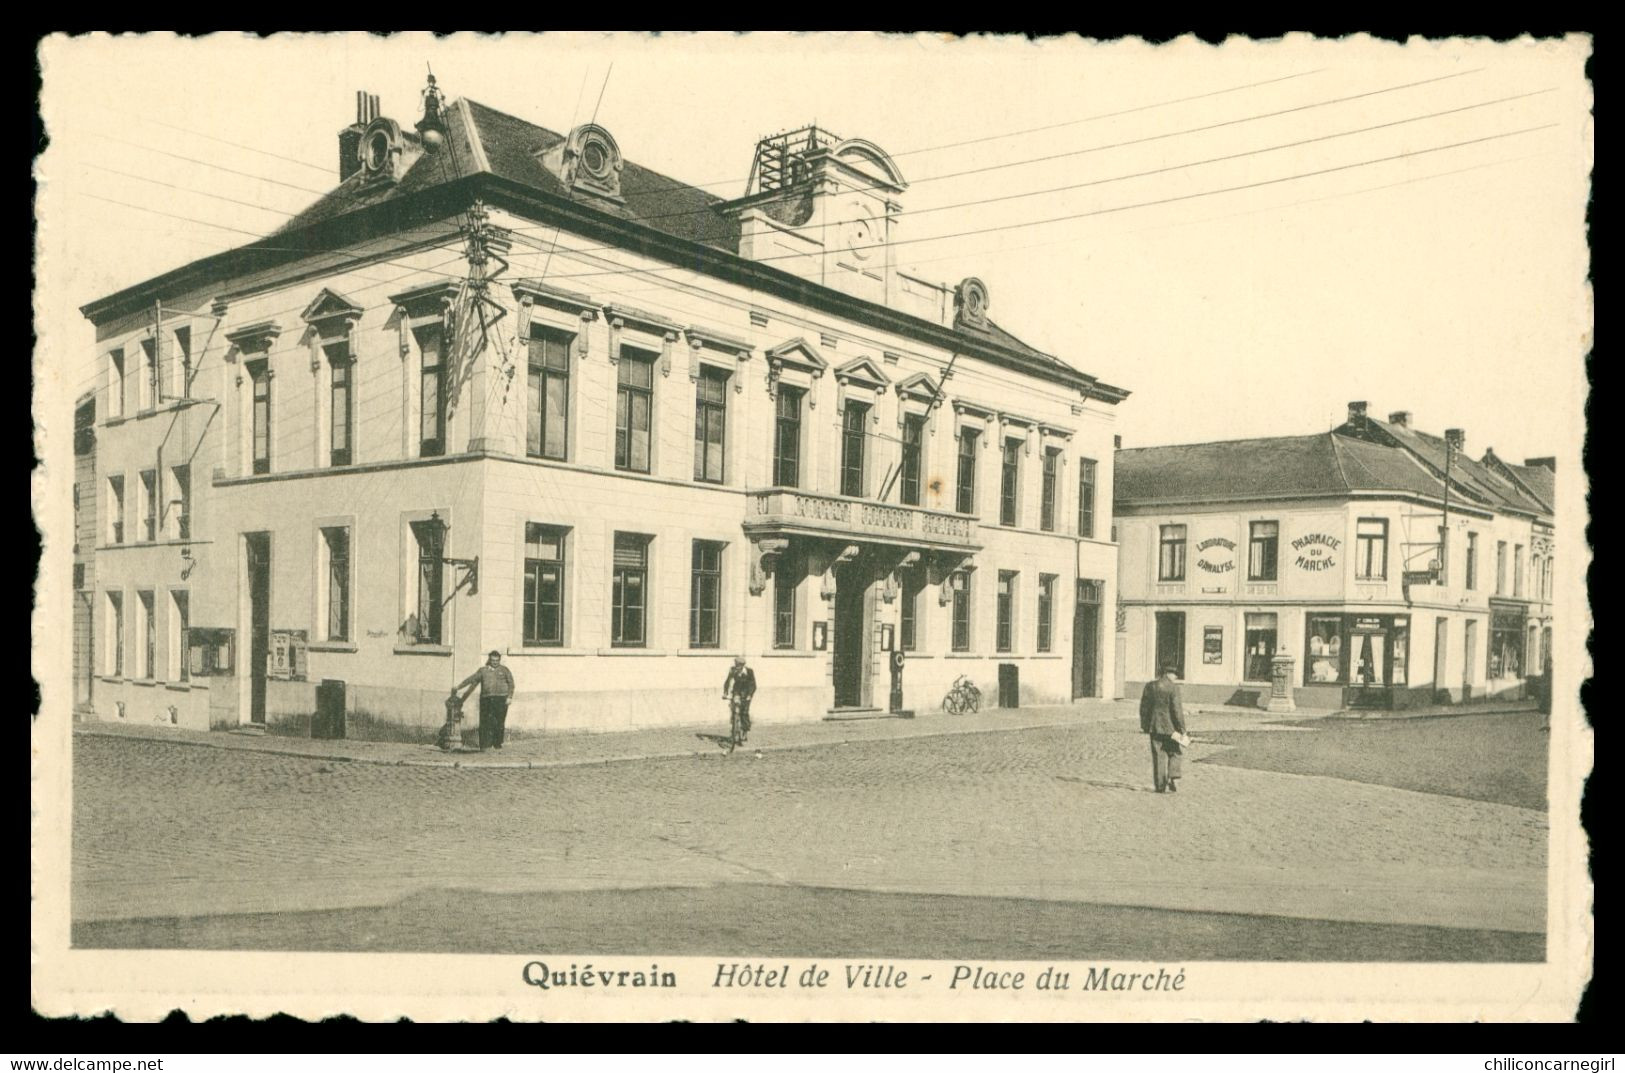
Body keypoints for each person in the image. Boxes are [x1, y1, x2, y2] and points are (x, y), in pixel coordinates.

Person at [1139, 664, 1188, 793]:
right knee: (1175, 752)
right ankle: (1173, 777)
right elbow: (1177, 711)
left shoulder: (1150, 686)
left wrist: (1145, 725)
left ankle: (1160, 786)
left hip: (1154, 727)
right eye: (1174, 675)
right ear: (1168, 673)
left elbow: (1144, 708)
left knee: (1158, 755)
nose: (1175, 677)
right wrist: (1182, 729)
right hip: (1171, 729)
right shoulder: (1173, 688)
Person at [458, 650, 516, 751]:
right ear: (489, 660)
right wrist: (459, 687)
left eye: (497, 660)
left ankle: (497, 743)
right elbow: (472, 679)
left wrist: (509, 697)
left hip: (501, 699)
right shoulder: (483, 670)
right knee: (485, 722)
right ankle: (485, 745)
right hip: (486, 699)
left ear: (499, 660)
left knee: (499, 722)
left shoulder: (505, 670)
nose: (495, 662)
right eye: (493, 660)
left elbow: (511, 684)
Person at [722, 656, 757, 746]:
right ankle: (734, 730)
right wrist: (725, 693)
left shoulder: (749, 672)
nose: (737, 667)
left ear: (742, 665)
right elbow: (728, 681)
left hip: (746, 694)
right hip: (736, 693)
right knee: (734, 711)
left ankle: (744, 731)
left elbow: (753, 685)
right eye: (736, 665)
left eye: (738, 666)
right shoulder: (733, 670)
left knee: (744, 713)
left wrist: (750, 695)